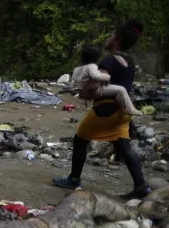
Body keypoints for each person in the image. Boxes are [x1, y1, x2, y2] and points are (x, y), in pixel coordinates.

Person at [53, 19, 151, 199]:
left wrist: (85, 92)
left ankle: (74, 179)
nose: (108, 37)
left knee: (80, 139)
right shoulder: (128, 61)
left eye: (111, 35)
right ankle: (141, 186)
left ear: (117, 40)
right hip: (123, 112)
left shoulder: (109, 60)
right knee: (123, 145)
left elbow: (98, 82)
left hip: (106, 109)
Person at [73, 45, 142, 116]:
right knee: (121, 89)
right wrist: (107, 77)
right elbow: (96, 76)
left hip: (82, 89)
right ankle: (129, 109)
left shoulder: (77, 69)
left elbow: (76, 79)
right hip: (96, 90)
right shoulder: (91, 66)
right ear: (96, 58)